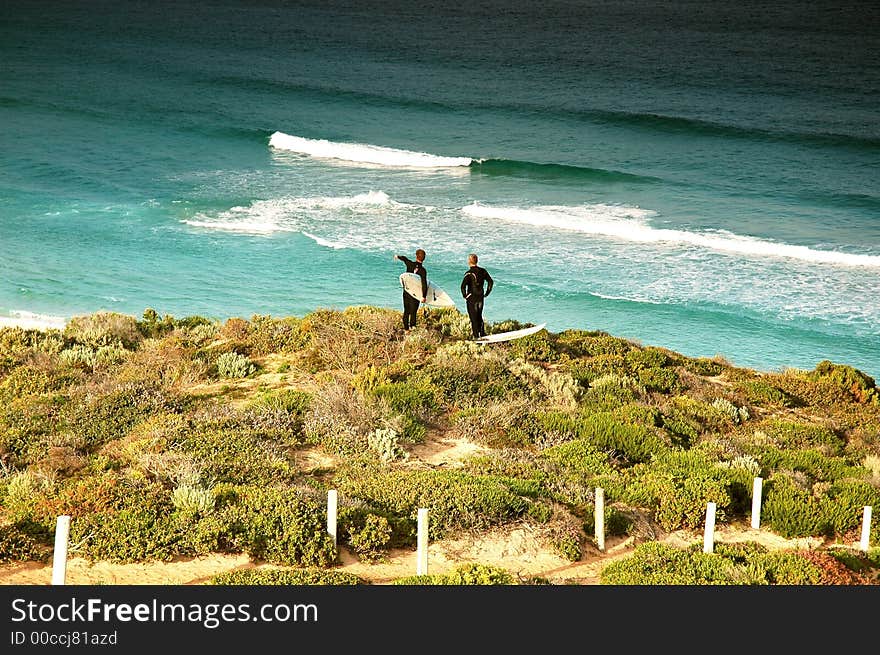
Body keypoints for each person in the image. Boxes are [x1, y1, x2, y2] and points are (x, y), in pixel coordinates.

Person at [460, 252, 493, 339]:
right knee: (479, 316)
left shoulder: (469, 273)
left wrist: (465, 295)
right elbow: (490, 282)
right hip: (480, 298)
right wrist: (487, 293)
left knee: (473, 318)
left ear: (469, 262)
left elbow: (462, 286)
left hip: (472, 299)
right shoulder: (483, 271)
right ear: (477, 261)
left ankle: (476, 337)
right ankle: (482, 334)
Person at [394, 249, 427, 330]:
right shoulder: (423, 270)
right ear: (424, 258)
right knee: (413, 312)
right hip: (415, 294)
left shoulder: (410, 264)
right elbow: (424, 284)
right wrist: (424, 296)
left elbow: (405, 259)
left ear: (416, 256)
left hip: (407, 291)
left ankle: (406, 328)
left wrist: (397, 256)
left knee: (406, 311)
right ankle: (412, 327)